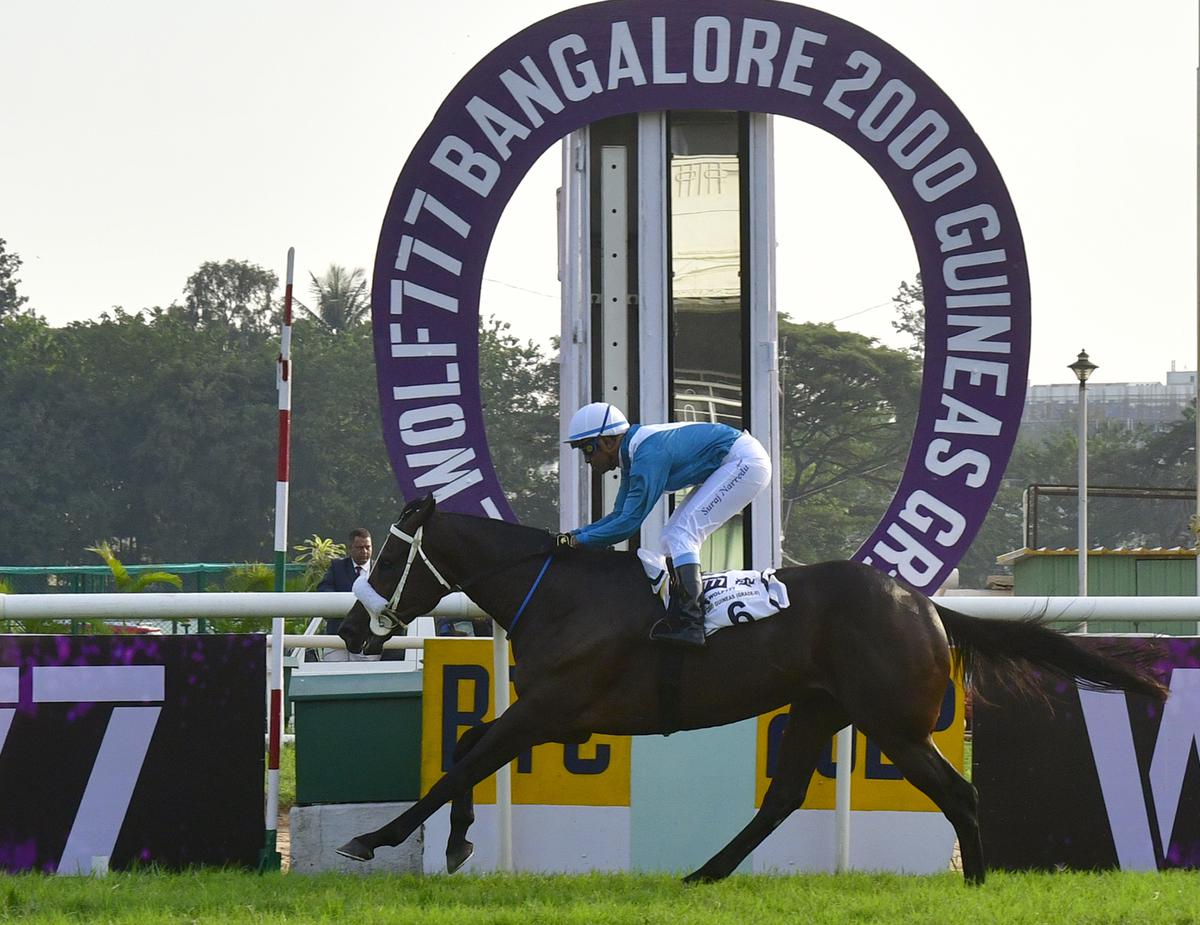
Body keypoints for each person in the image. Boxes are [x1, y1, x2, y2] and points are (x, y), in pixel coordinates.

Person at [558, 402, 771, 648]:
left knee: (683, 534)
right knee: (670, 537)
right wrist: (575, 535)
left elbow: (628, 525)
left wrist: (578, 542)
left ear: (608, 441)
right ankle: (682, 614)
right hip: (735, 461)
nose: (587, 460)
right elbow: (619, 515)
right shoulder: (633, 454)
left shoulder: (648, 455)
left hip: (746, 462)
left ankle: (692, 623)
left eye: (588, 449)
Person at [317, 527, 382, 662]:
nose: (364, 551)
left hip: (368, 639)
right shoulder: (337, 567)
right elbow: (323, 589)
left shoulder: (380, 570)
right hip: (337, 637)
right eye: (359, 548)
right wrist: (339, 602)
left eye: (368, 547)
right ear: (350, 548)